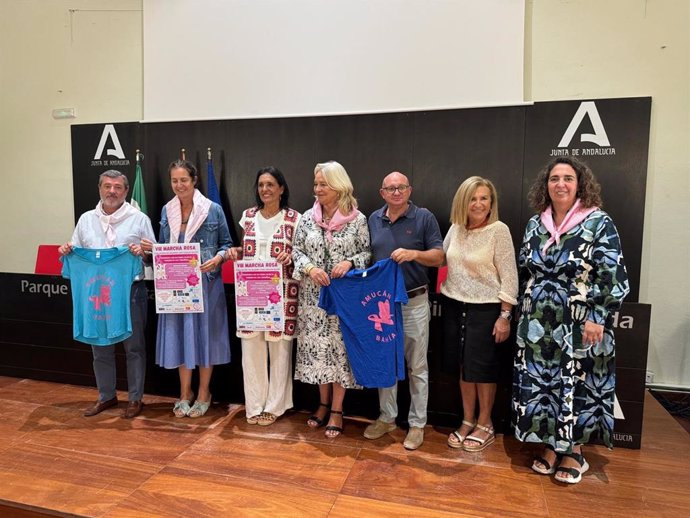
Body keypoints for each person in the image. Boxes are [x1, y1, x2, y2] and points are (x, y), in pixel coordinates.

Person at [513, 157, 629, 484]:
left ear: (580, 184)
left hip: (579, 324)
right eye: (554, 178)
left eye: (567, 178)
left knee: (576, 384)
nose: (560, 184)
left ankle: (575, 450)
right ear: (545, 185)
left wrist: (598, 315)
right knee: (544, 386)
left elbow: (613, 275)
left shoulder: (598, 222)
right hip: (538, 326)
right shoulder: (537, 224)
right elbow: (526, 269)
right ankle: (549, 444)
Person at [58, 169, 155, 419]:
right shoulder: (86, 219)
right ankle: (106, 396)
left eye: (118, 187)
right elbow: (74, 249)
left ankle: (135, 398)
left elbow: (153, 256)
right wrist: (67, 250)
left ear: (125, 191)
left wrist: (142, 254)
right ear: (99, 188)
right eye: (107, 186)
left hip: (130, 290)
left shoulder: (139, 219)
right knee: (99, 346)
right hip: (96, 291)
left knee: (134, 347)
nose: (112, 191)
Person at [142, 159, 232, 418]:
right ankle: (185, 393)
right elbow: (162, 249)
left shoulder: (212, 209)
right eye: (174, 180)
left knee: (204, 337)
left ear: (194, 181)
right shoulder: (165, 211)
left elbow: (226, 244)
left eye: (184, 180)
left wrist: (219, 258)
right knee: (181, 336)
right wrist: (149, 250)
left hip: (206, 285)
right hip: (176, 286)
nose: (179, 185)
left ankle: (204, 392)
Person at [363, 171, 444, 450]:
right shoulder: (373, 219)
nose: (396, 192)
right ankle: (387, 418)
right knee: (386, 361)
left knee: (417, 366)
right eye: (390, 188)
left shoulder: (424, 217)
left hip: (414, 301)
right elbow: (366, 256)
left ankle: (417, 424)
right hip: (382, 303)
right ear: (382, 192)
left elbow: (439, 257)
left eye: (401, 187)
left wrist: (414, 254)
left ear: (409, 190)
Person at [292, 160, 371, 438]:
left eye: (323, 184)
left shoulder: (357, 220)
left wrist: (349, 262)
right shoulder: (305, 218)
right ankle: (322, 404)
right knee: (318, 352)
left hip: (344, 299)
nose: (317, 189)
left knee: (340, 353)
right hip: (313, 300)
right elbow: (296, 252)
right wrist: (310, 268)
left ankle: (337, 409)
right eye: (316, 184)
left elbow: (366, 255)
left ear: (338, 186)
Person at [440, 176, 518, 452]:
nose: (479, 203)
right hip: (454, 306)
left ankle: (485, 423)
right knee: (463, 366)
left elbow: (510, 277)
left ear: (491, 202)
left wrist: (504, 316)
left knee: (483, 370)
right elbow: (441, 258)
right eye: (473, 198)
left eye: (484, 198)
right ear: (463, 201)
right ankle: (467, 419)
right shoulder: (456, 228)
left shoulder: (499, 230)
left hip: (487, 309)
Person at [225, 167, 300, 426]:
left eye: (270, 184)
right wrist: (236, 252)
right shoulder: (247, 217)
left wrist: (290, 256)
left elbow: (299, 255)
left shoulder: (294, 219)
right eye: (261, 185)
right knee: (251, 351)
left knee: (280, 352)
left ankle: (276, 406)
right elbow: (246, 250)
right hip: (251, 296)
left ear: (281, 188)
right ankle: (254, 405)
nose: (265, 190)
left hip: (281, 296)